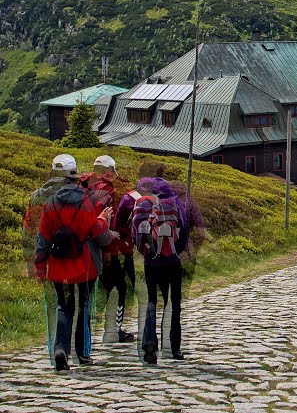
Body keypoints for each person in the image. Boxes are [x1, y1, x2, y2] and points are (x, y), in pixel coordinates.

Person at [32, 154, 114, 371]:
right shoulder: (87, 201)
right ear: (75, 178)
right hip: (84, 263)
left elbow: (43, 238)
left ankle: (60, 348)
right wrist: (102, 221)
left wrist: (40, 266)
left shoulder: (50, 204)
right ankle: (82, 353)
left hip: (58, 264)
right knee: (84, 305)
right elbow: (95, 232)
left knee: (63, 306)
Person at [130, 176, 190, 364]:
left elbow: (134, 233)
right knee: (173, 303)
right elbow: (185, 229)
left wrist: (146, 252)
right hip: (171, 261)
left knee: (151, 301)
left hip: (150, 262)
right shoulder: (174, 202)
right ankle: (173, 348)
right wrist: (174, 250)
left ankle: (149, 343)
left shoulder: (143, 204)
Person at [82, 155, 135, 343]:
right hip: (102, 244)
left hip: (81, 246)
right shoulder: (106, 191)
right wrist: (108, 248)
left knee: (84, 294)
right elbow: (106, 221)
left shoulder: (84, 185)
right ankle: (114, 329)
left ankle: (82, 334)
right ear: (107, 171)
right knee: (118, 287)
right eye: (112, 171)